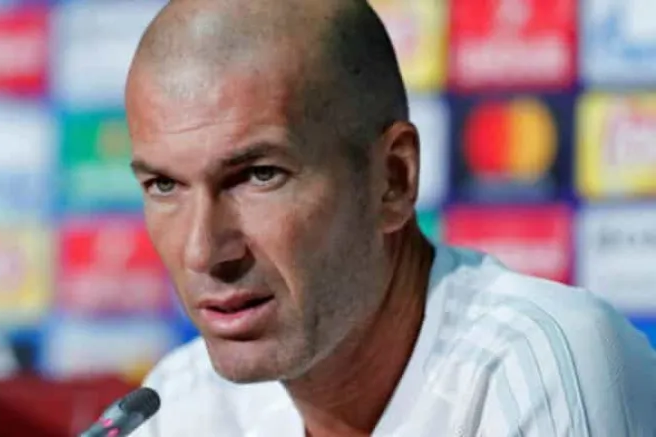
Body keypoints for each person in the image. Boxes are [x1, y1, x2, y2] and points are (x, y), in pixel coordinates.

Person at [123, 0, 656, 435]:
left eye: (259, 176)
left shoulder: (537, 368)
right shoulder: (179, 405)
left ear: (393, 180)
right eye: (164, 185)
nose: (202, 251)